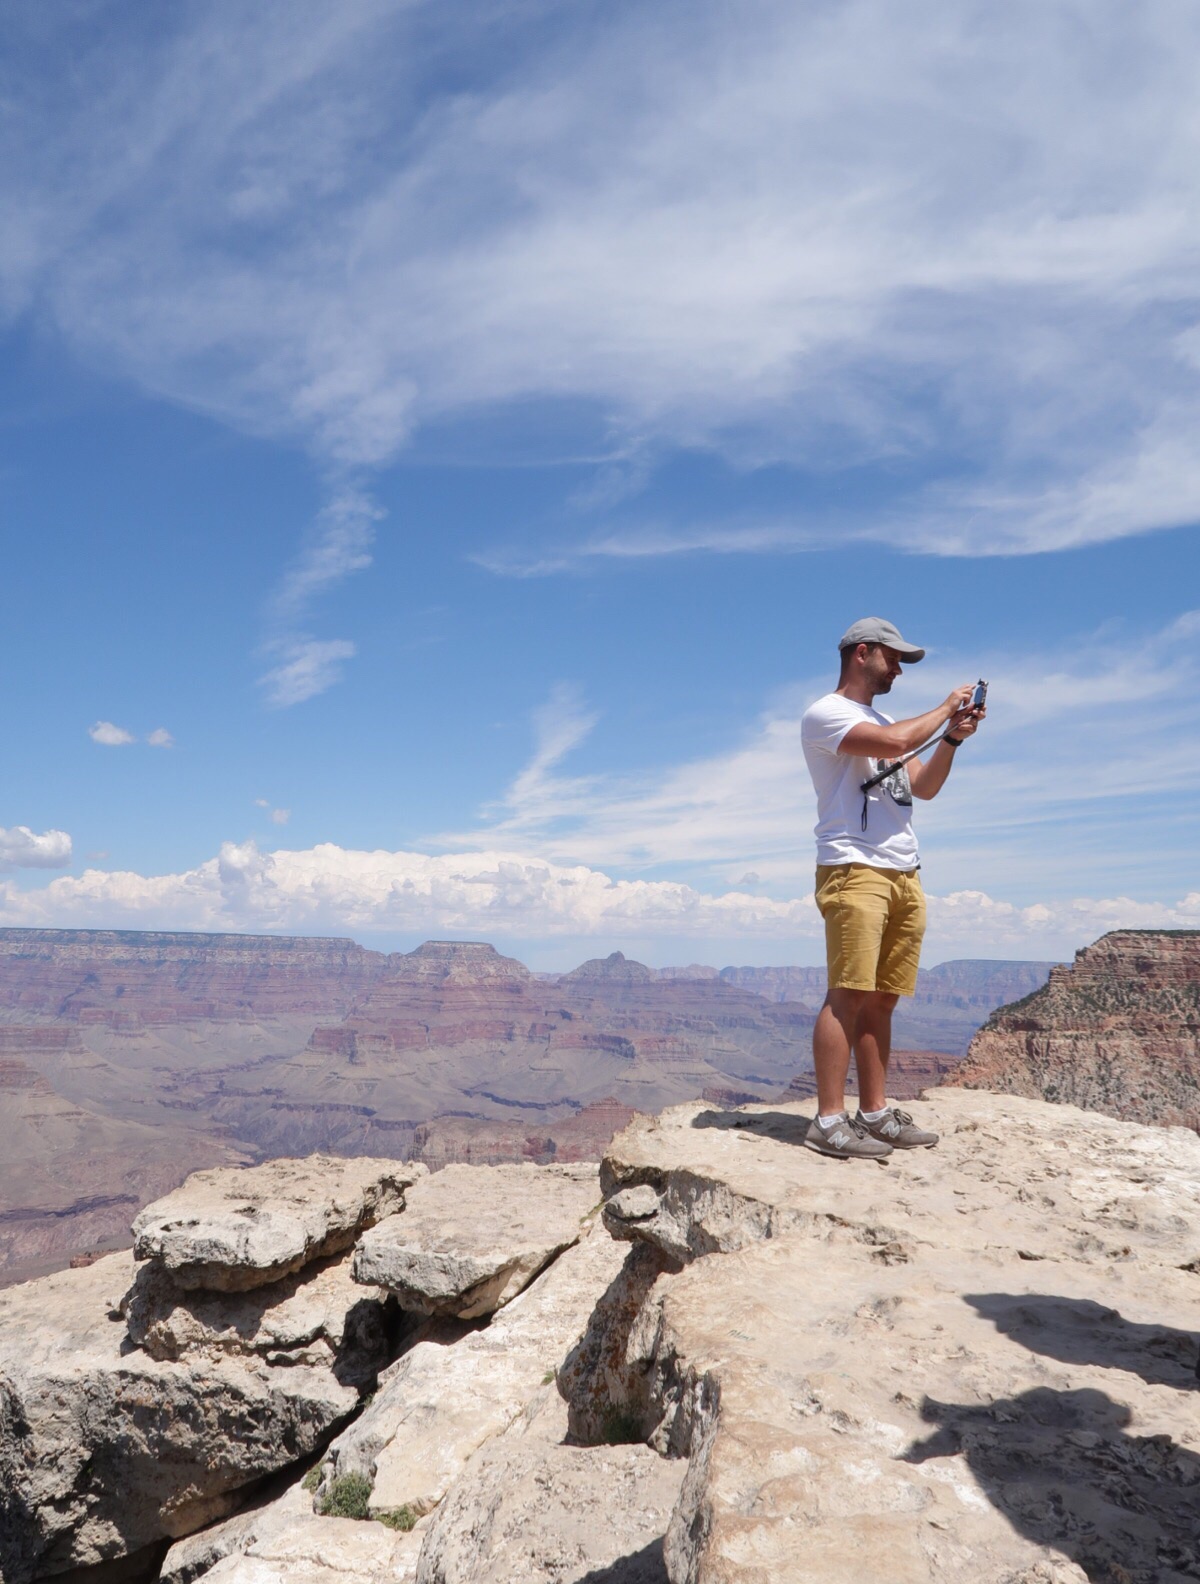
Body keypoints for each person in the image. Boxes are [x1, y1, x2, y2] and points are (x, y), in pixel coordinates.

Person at [799, 617, 985, 1161]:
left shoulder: (882, 719)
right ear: (862, 653)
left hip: (903, 870)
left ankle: (875, 1113)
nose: (899, 669)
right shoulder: (826, 714)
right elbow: (900, 739)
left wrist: (951, 738)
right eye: (894, 658)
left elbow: (922, 787)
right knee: (849, 994)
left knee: (883, 999)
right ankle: (828, 1120)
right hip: (854, 869)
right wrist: (945, 709)